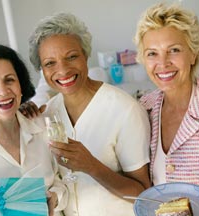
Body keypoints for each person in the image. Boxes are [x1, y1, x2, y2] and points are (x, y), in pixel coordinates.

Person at [28, 12, 151, 216]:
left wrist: (92, 166)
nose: (63, 70)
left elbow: (143, 194)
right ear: (42, 69)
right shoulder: (48, 113)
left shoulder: (125, 110)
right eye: (50, 63)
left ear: (85, 55)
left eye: (72, 56)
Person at [0, 44, 68, 215]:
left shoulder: (44, 129)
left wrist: (55, 198)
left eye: (9, 80)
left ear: (20, 85)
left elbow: (64, 181)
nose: (3, 91)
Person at [134, 3, 199, 186]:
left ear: (193, 54)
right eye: (152, 53)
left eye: (174, 50)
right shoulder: (143, 109)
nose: (163, 63)